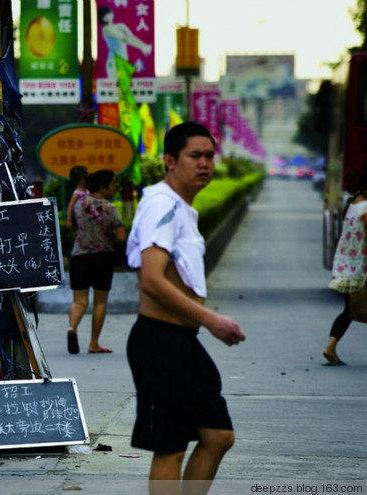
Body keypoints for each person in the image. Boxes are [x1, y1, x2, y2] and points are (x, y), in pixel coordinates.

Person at [125, 122, 246, 494]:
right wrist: (212, 320)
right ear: (170, 161)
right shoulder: (161, 203)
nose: (205, 163)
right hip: (159, 341)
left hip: (182, 342)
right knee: (171, 449)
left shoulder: (181, 208)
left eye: (210, 156)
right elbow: (152, 280)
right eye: (195, 156)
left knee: (218, 435)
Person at [67, 169, 127, 354]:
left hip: (79, 256)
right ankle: (93, 343)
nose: (114, 188)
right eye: (112, 184)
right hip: (103, 258)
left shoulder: (79, 204)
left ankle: (72, 328)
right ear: (103, 187)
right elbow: (121, 236)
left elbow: (73, 227)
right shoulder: (110, 208)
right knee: (100, 302)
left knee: (79, 301)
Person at [323, 173, 367, 366]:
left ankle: (330, 347)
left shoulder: (353, 203)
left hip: (348, 265)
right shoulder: (366, 208)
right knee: (350, 311)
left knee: (349, 311)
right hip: (361, 268)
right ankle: (330, 347)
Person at [97, 5, 153, 80]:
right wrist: (142, 47)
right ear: (101, 18)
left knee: (125, 85)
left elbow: (131, 36)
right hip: (113, 61)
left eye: (108, 13)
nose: (107, 16)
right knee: (116, 86)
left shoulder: (121, 26)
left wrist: (144, 45)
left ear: (111, 13)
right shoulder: (105, 29)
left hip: (124, 59)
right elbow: (123, 39)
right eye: (104, 16)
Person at [66, 166, 89, 231]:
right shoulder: (77, 193)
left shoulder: (87, 190)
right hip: (81, 220)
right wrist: (69, 219)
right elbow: (70, 206)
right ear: (82, 178)